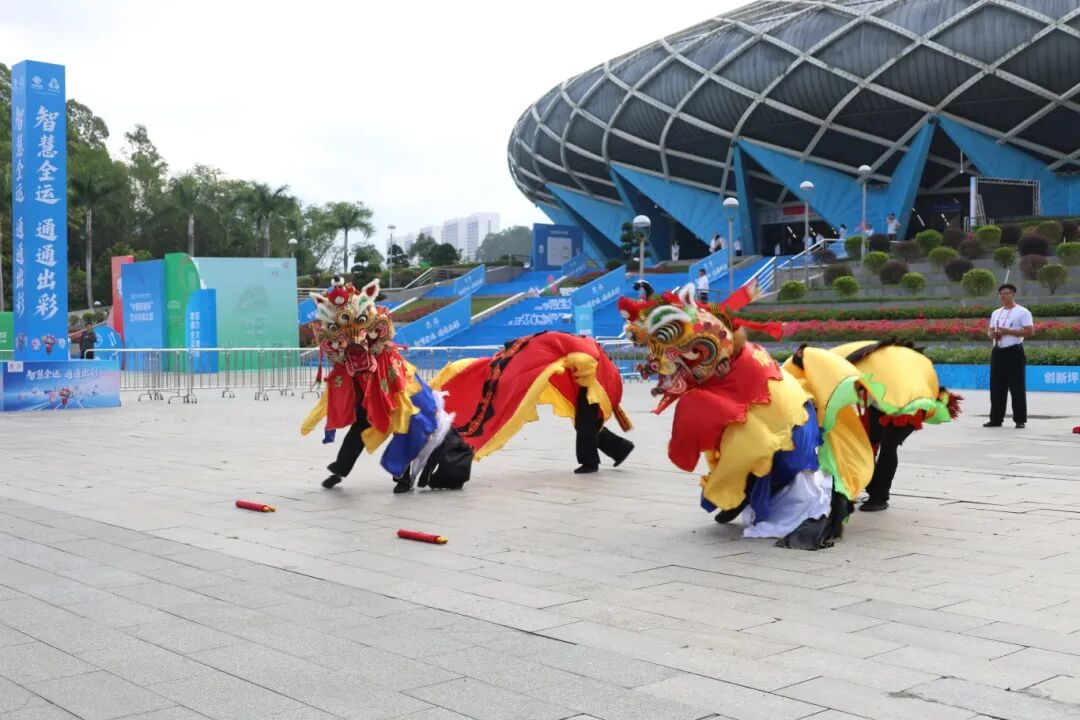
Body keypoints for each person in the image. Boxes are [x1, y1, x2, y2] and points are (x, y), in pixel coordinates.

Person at [985, 283, 1034, 429]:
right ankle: (996, 419)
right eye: (1001, 294)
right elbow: (990, 331)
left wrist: (1008, 332)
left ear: (1013, 294)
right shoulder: (996, 313)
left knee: (1016, 386)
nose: (1003, 296)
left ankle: (1020, 419)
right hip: (998, 351)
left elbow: (1030, 331)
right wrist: (992, 334)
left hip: (1014, 352)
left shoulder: (1022, 312)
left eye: (1006, 293)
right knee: (996, 387)